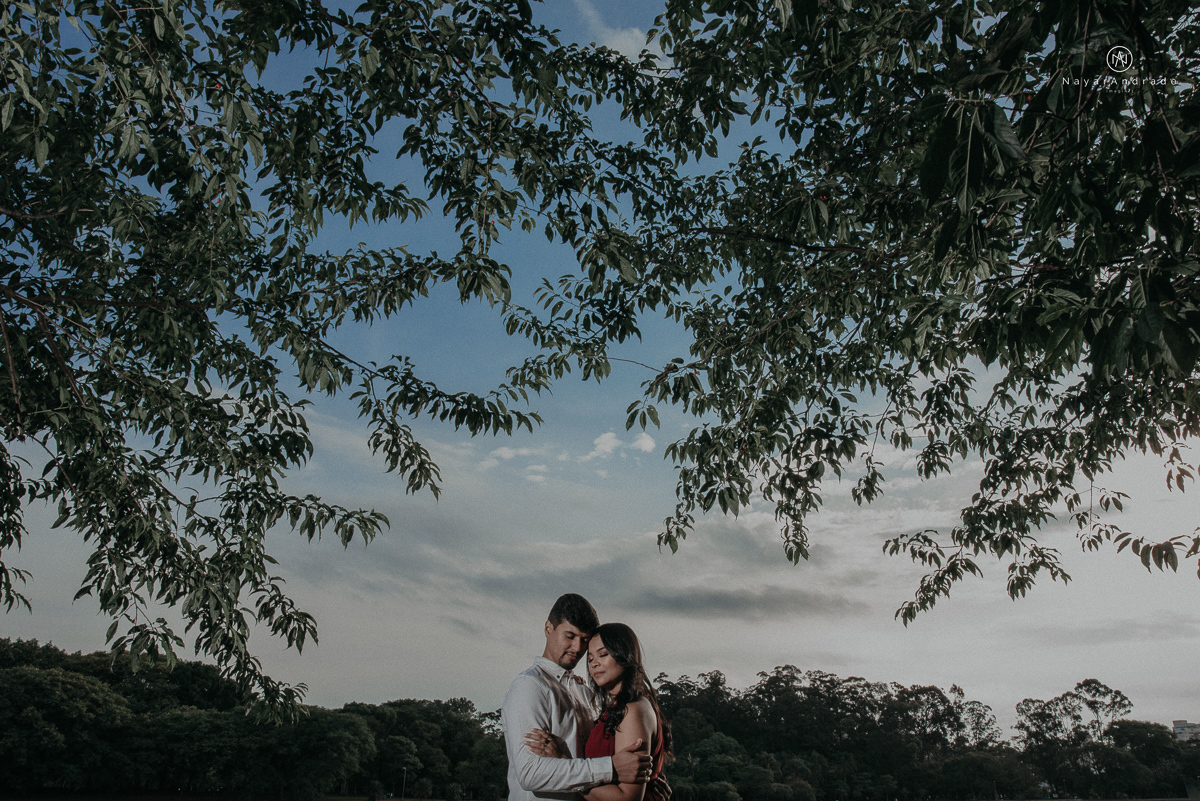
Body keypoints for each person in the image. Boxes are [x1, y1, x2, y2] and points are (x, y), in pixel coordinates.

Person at [501, 594, 655, 801]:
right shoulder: (530, 686)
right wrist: (611, 768)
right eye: (570, 636)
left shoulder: (584, 691)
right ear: (548, 629)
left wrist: (649, 782)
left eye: (584, 640)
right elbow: (531, 773)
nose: (577, 649)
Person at [524, 622, 672, 801]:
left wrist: (564, 764)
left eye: (603, 654)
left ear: (624, 654)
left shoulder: (632, 710)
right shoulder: (615, 709)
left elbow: (627, 798)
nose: (594, 664)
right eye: (590, 659)